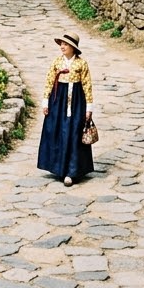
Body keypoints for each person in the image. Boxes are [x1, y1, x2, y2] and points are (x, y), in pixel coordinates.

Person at [37, 32, 94, 186]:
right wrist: (45, 102)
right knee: (58, 131)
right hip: (58, 101)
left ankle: (72, 171)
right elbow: (49, 81)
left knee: (74, 132)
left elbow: (87, 86)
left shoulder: (81, 64)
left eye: (66, 44)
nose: (62, 46)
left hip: (76, 102)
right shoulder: (57, 62)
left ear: (73, 48)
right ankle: (59, 168)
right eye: (61, 44)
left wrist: (89, 107)